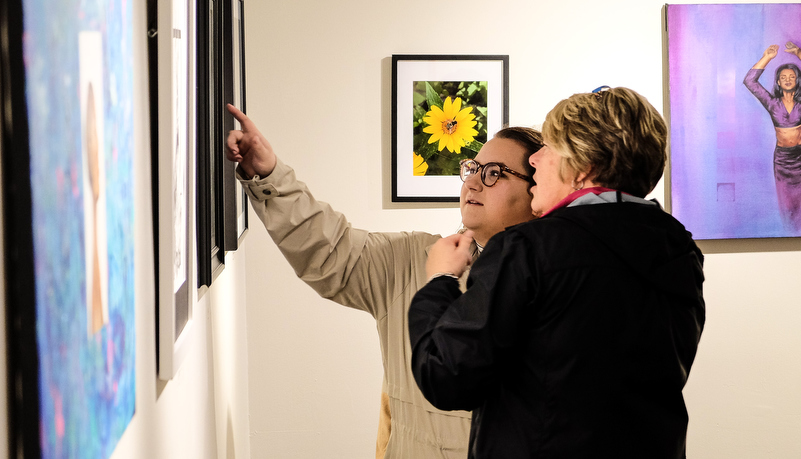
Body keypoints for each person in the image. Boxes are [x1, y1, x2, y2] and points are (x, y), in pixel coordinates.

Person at [224, 104, 543, 458]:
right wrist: (270, 177)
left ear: (538, 191)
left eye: (494, 173)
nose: (472, 181)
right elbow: (329, 251)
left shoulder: (564, 284)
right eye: (472, 168)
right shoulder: (412, 259)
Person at [408, 87, 706, 458]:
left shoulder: (530, 248)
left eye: (547, 147)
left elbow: (445, 376)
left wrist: (439, 282)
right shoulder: (681, 251)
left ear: (583, 167)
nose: (534, 160)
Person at [744, 41, 801, 234]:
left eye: (791, 77)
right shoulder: (772, 103)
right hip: (783, 161)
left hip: (800, 157)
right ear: (777, 81)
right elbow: (750, 81)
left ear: (797, 80)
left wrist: (799, 54)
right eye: (783, 77)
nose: (787, 79)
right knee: (786, 206)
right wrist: (767, 57)